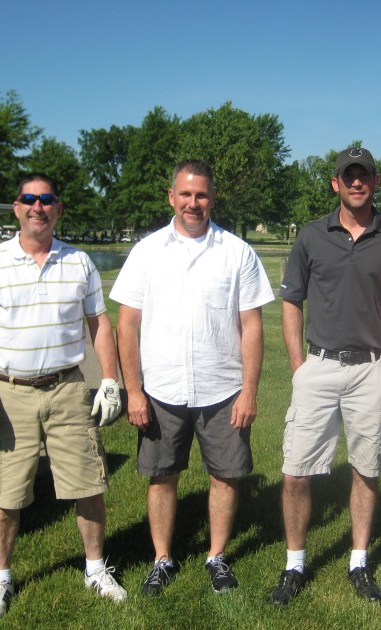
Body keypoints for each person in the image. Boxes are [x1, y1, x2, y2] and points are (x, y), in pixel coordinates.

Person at [0, 173, 127, 622]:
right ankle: (1, 577)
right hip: (9, 393)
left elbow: (99, 324)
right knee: (6, 496)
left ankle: (95, 569)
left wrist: (110, 379)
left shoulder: (79, 262)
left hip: (67, 389)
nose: (38, 207)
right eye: (29, 199)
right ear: (16, 207)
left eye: (46, 199)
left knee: (89, 486)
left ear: (58, 208)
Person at [110, 160, 275, 596]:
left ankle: (216, 556)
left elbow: (252, 326)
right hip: (161, 389)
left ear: (212, 199)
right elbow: (126, 324)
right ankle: (162, 559)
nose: (193, 203)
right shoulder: (147, 252)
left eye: (201, 195)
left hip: (223, 389)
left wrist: (249, 392)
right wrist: (133, 391)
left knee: (225, 475)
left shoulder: (237, 252)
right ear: (171, 197)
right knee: (162, 476)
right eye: (185, 194)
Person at [271, 147, 381, 605]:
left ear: (375, 182)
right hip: (317, 367)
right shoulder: (311, 236)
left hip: (372, 370)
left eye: (364, 176)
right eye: (348, 176)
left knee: (366, 468)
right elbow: (291, 300)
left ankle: (359, 560)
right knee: (295, 472)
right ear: (335, 183)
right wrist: (298, 366)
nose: (357, 183)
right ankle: (294, 564)